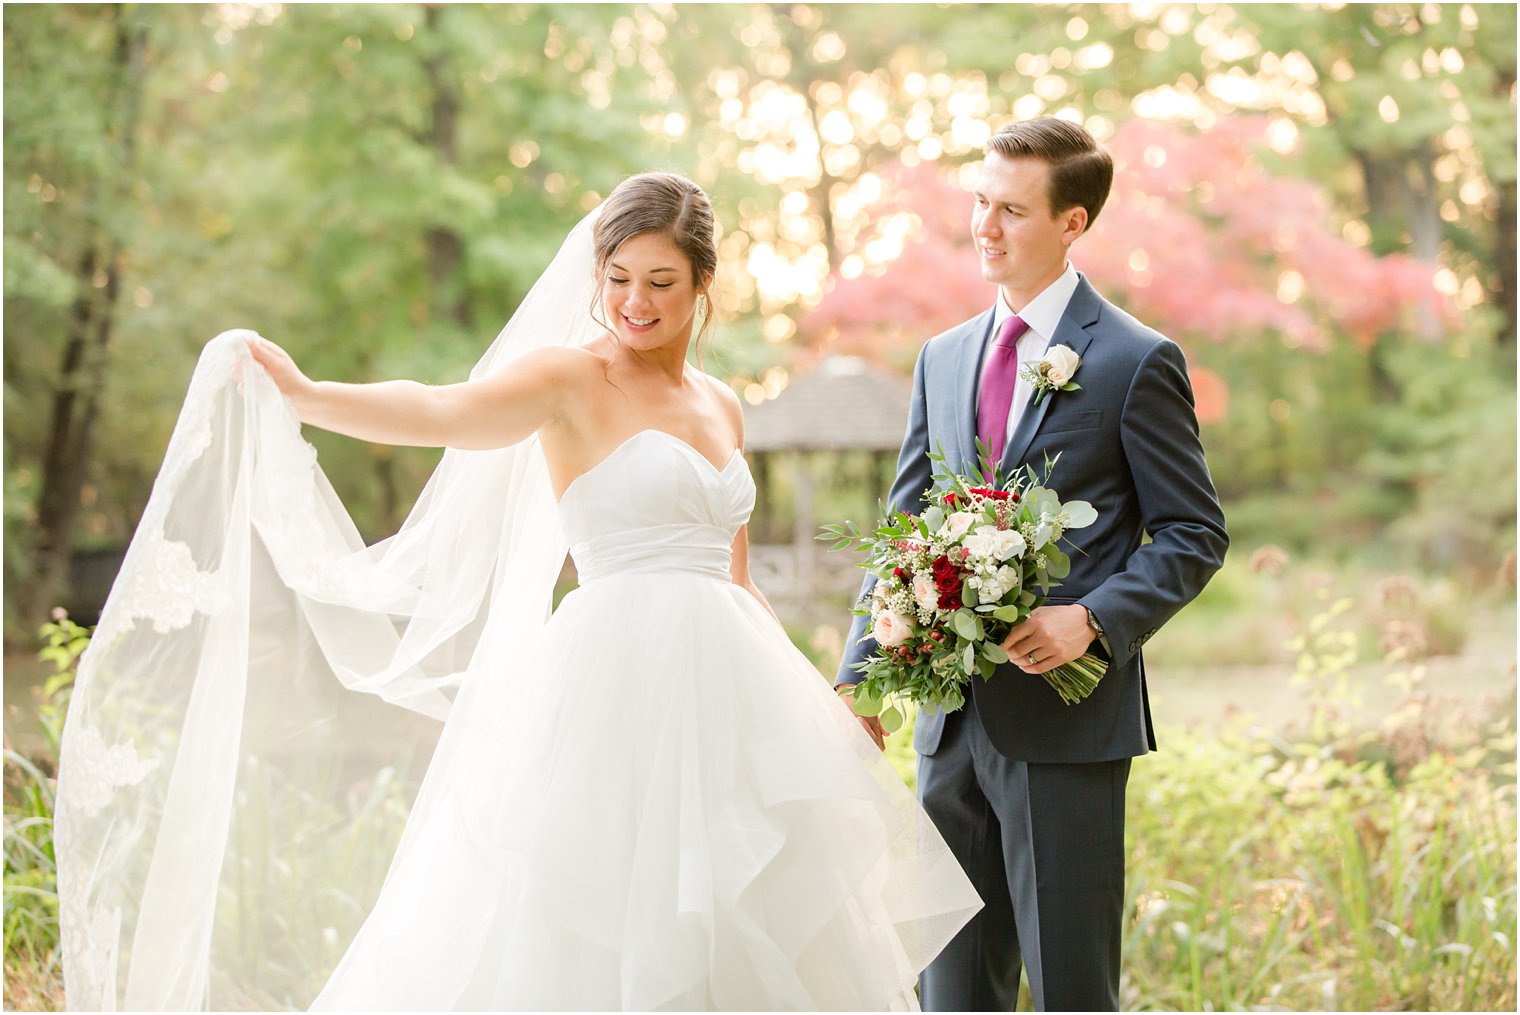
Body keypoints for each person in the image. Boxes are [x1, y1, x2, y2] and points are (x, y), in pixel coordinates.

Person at [54, 172, 980, 1011]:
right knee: (595, 918)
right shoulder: (569, 379)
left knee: (752, 918)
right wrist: (305, 393)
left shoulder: (723, 403)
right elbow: (441, 407)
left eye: (661, 281)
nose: (634, 301)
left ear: (703, 285)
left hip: (735, 692)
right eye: (618, 276)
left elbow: (734, 575)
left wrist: (818, 703)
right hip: (613, 690)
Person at [836, 118, 1229, 1011]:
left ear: (1072, 222)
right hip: (949, 721)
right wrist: (857, 676)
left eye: (1011, 209)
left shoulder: (1136, 359)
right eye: (980, 202)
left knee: (1069, 990)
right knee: (952, 990)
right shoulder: (941, 359)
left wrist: (1090, 617)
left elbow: (1193, 533)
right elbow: (906, 524)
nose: (985, 225)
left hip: (1068, 722)